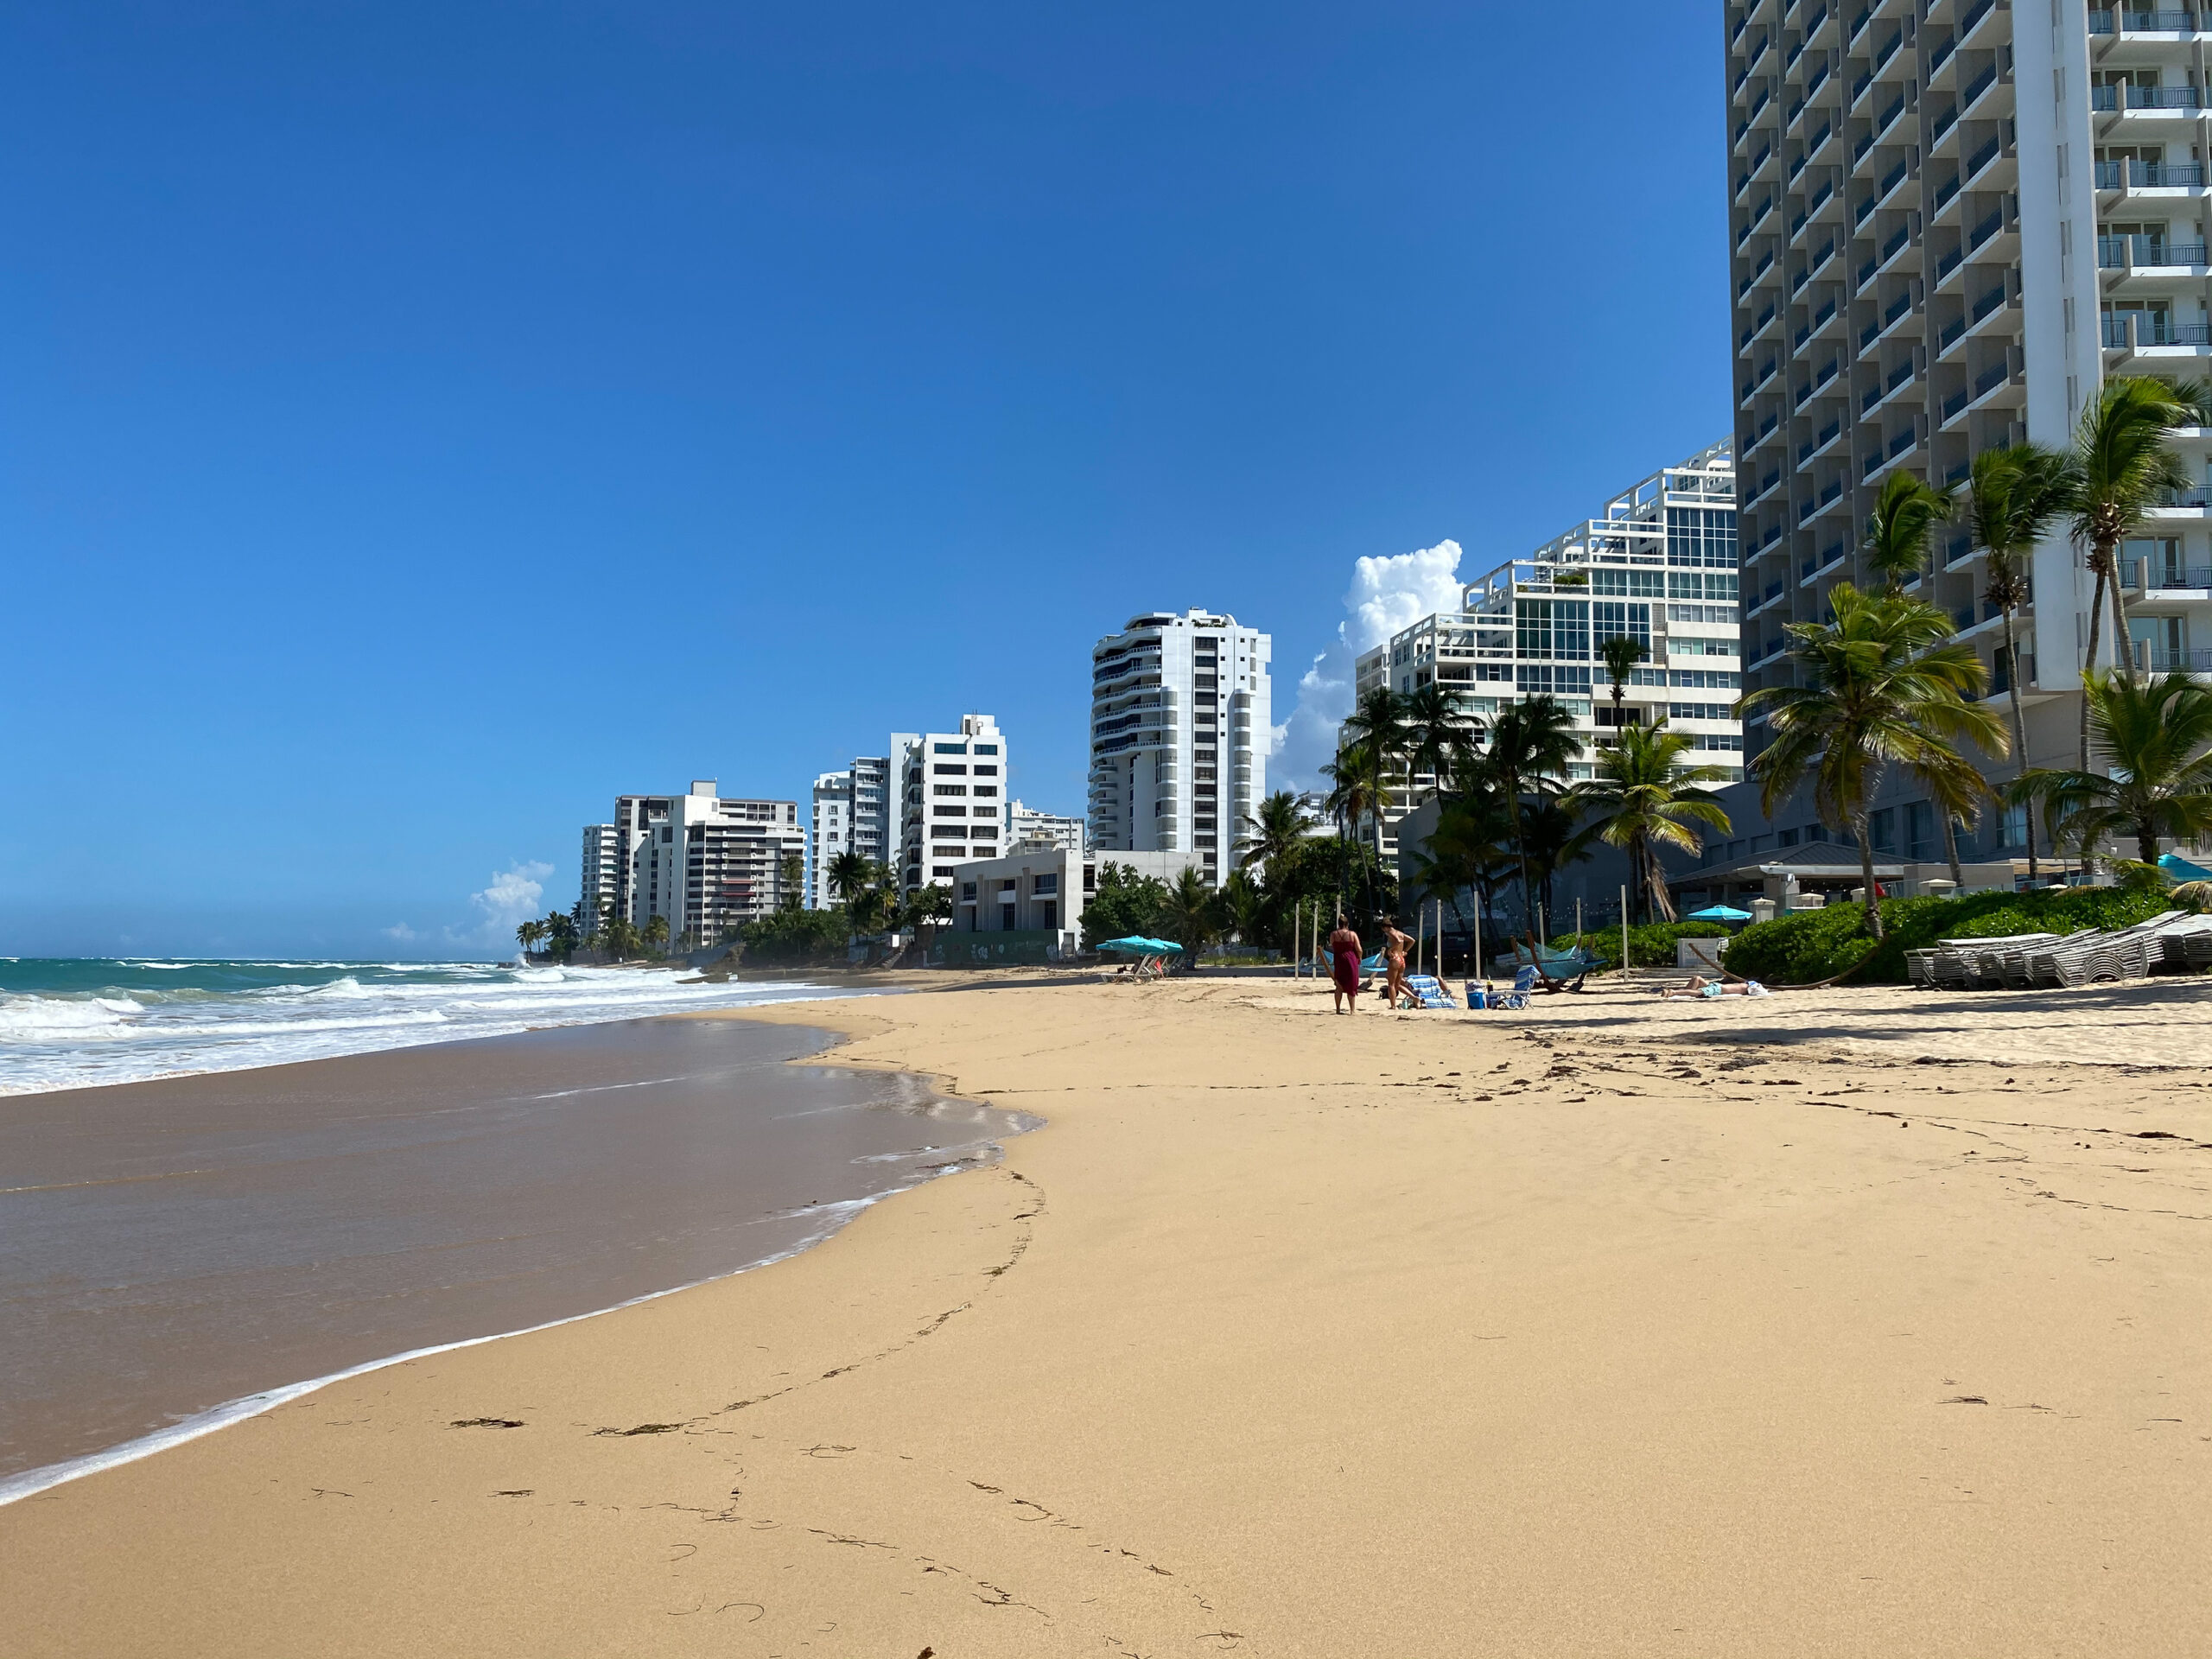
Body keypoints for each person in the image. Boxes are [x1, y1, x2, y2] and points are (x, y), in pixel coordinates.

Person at [1326, 917, 1363, 1014]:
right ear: (1348, 924)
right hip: (1350, 959)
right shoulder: (1352, 934)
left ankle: (1338, 1009)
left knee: (1339, 985)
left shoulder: (1333, 934)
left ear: (1339, 924)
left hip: (1338, 959)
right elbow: (1359, 949)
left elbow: (1331, 945)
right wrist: (1359, 958)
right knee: (1351, 985)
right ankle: (1352, 1010)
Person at [1379, 917, 1416, 1010]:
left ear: (1386, 927)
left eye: (1383, 929)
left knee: (1391, 984)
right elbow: (1412, 941)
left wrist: (1390, 950)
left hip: (1395, 958)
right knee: (1397, 985)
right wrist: (1405, 951)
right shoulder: (1400, 933)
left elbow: (1398, 941)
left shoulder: (1391, 933)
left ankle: (1393, 1006)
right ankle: (1414, 997)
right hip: (1402, 959)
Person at [1658, 974, 1770, 1001]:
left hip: (1717, 986)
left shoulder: (1745, 984)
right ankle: (1673, 992)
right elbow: (1761, 992)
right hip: (1718, 989)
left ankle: (1684, 992)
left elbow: (1759, 991)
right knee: (1698, 993)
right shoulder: (1748, 987)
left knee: (1697, 978)